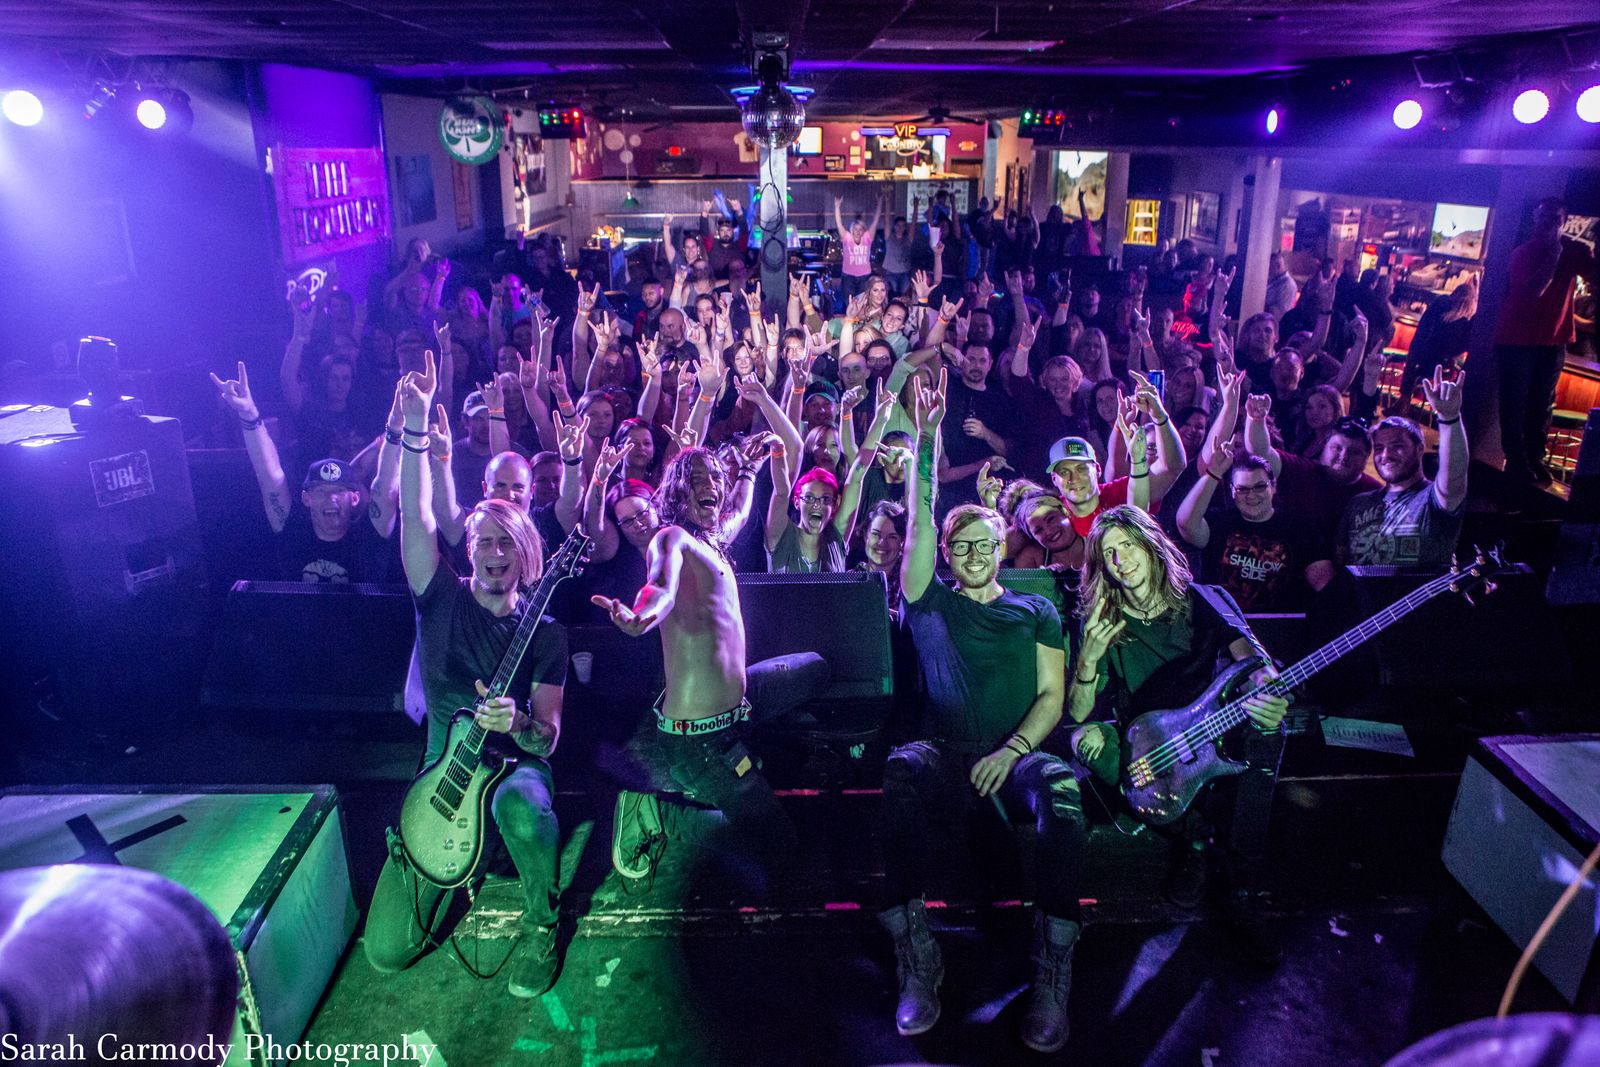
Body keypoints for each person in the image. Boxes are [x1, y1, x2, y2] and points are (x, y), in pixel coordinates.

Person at [878, 367, 1086, 1054]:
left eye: (983, 544)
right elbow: (916, 529)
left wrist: (1013, 751)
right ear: (946, 553)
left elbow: (1053, 695)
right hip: (945, 751)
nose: (971, 554)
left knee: (1062, 792)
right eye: (959, 546)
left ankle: (1053, 966)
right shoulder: (929, 599)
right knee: (901, 772)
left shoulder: (1035, 608)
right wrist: (927, 441)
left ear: (1002, 548)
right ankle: (917, 954)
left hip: (1015, 755)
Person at [364, 352, 569, 999]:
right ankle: (438, 861)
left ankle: (543, 923)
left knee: (523, 809)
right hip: (441, 784)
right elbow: (417, 518)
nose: (494, 552)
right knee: (386, 954)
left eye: (508, 542)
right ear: (471, 549)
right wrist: (416, 424)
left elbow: (547, 740)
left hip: (511, 771)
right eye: (484, 541)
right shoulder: (440, 597)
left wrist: (522, 723)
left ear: (526, 553)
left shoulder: (547, 633)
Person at [595, 446, 829, 887]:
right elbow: (659, 587)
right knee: (780, 846)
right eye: (698, 478)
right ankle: (658, 814)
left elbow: (739, 510)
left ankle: (751, 757)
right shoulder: (671, 538)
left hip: (740, 707)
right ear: (677, 490)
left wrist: (750, 469)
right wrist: (640, 617)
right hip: (699, 742)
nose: (712, 486)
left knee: (816, 669)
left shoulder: (712, 543)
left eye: (716, 477)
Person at [1070, 506, 1289, 964]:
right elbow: (1078, 712)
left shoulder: (1202, 599)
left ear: (1151, 546)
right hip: (1144, 741)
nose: (1121, 560)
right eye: (1109, 553)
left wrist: (1266, 689)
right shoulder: (1103, 617)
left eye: (1128, 545)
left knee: (1269, 729)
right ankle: (1195, 837)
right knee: (1084, 740)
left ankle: (1237, 888)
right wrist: (1088, 659)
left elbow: (1252, 658)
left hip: (1207, 731)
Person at [209, 360, 396, 583]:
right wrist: (249, 414)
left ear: (354, 498)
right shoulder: (293, 532)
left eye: (339, 491)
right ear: (306, 498)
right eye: (321, 491)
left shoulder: (368, 537)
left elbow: (385, 488)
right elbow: (269, 474)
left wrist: (396, 429)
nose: (331, 498)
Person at [1493, 198, 1600, 488]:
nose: (1548, 223)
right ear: (1534, 218)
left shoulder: (1576, 250)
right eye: (1544, 217)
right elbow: (1534, 290)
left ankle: (1535, 458)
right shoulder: (1523, 252)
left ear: (1564, 222)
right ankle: (1516, 461)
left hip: (1553, 341)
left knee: (1542, 404)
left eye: (1555, 219)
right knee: (1515, 403)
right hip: (1515, 339)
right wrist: (1555, 251)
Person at [1337, 369, 1468, 568]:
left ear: (1419, 449)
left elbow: (1454, 474)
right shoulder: (1358, 503)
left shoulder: (1432, 499)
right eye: (1379, 448)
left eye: (1396, 446)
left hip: (1419, 590)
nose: (1386, 455)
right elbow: (1340, 561)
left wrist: (1449, 418)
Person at [1176, 447, 1334, 612]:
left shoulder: (1300, 530)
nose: (1251, 495)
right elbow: (1186, 524)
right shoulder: (1220, 521)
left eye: (1259, 487)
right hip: (1221, 623)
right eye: (1242, 489)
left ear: (1273, 487)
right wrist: (1214, 473)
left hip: (1276, 625)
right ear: (1232, 492)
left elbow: (1326, 586)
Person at [835, 193, 885, 300]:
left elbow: (875, 221)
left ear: (863, 230)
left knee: (863, 302)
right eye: (855, 229)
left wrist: (880, 203)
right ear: (852, 230)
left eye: (860, 229)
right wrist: (837, 207)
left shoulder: (867, 238)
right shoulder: (847, 238)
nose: (857, 232)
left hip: (864, 276)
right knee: (849, 302)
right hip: (848, 276)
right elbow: (839, 225)